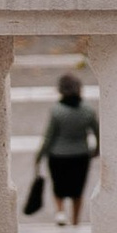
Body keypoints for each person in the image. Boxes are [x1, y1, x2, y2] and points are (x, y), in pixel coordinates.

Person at [38, 72, 97, 224]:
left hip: (58, 155)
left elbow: (49, 136)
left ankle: (60, 213)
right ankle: (76, 221)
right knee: (78, 190)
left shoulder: (57, 111)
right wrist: (96, 150)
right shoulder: (88, 111)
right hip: (81, 155)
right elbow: (98, 132)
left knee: (59, 186)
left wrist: (40, 155)